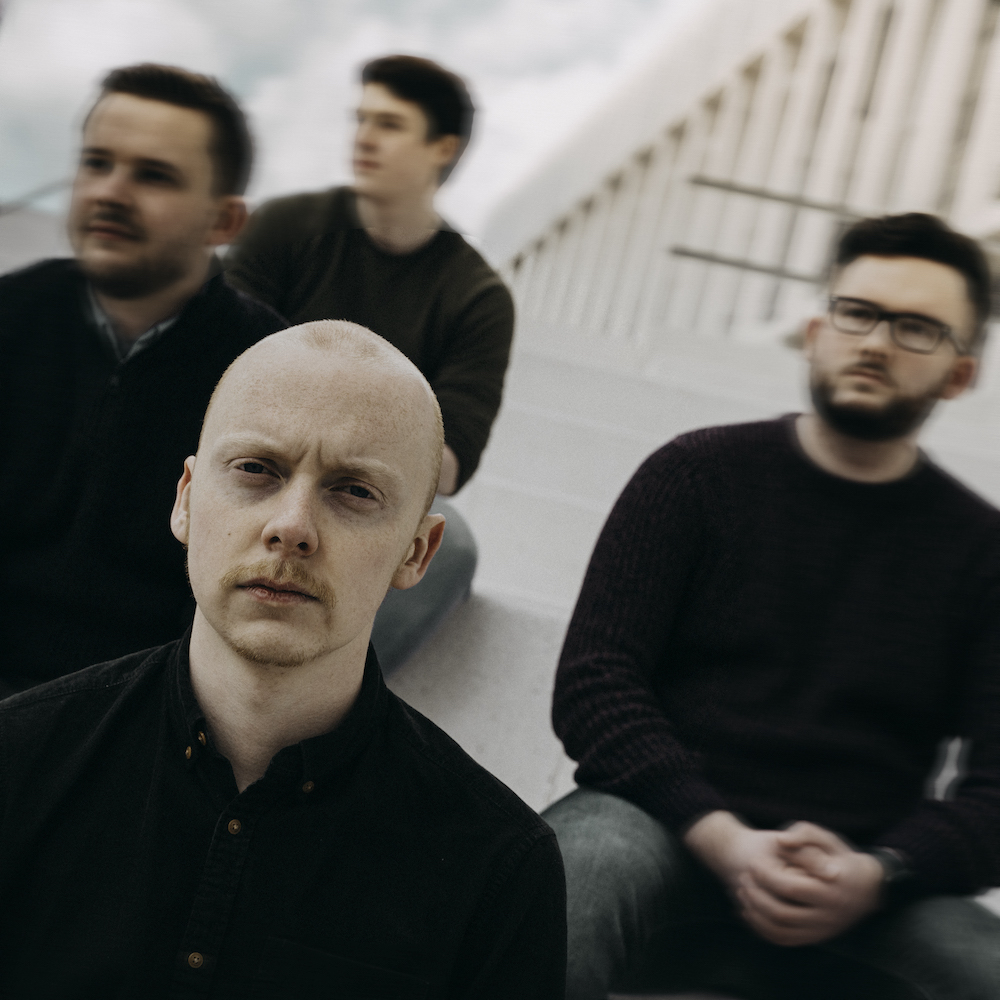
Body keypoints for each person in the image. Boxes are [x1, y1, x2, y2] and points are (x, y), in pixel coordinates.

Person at [0, 320, 566, 997]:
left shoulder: (499, 869)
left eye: (353, 490)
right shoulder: (18, 761)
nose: (292, 527)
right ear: (186, 501)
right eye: (256, 469)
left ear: (417, 552)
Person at [543, 213, 1000, 999]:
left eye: (917, 328)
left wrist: (882, 873)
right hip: (663, 833)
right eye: (858, 313)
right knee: (566, 881)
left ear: (960, 374)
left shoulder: (982, 552)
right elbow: (595, 684)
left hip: (865, 889)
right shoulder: (695, 476)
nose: (876, 342)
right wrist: (723, 839)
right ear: (816, 332)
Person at [0, 63, 287, 693]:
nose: (110, 191)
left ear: (224, 222)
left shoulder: (272, 376)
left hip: (128, 718)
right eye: (97, 163)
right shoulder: (11, 314)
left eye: (154, 175)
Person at [226, 54, 513, 671]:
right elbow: (212, 369)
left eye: (389, 124)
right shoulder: (286, 227)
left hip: (359, 494)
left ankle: (317, 705)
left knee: (451, 547)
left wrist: (339, 458)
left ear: (442, 148)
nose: (364, 137)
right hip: (251, 464)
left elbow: (450, 461)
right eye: (360, 119)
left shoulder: (477, 297)